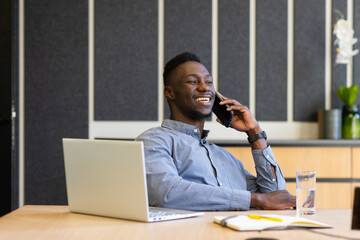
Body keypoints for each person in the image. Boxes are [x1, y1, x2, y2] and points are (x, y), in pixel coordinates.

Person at [136, 52, 296, 211]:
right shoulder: (153, 140)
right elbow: (166, 192)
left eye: (209, 82)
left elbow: (275, 196)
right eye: (192, 81)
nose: (204, 87)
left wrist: (255, 133)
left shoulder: (225, 158)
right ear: (170, 93)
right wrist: (256, 200)